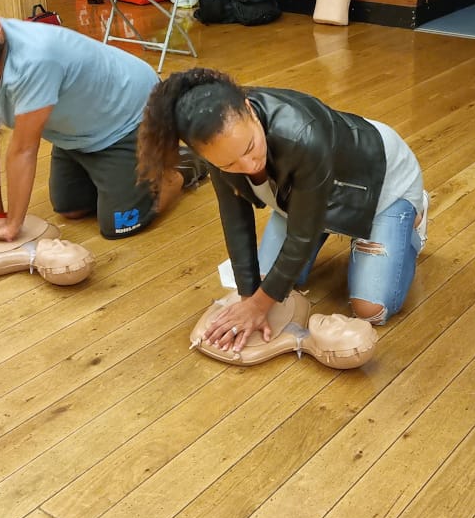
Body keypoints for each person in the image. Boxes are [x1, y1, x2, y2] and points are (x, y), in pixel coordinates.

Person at [138, 67, 428, 353]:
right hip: (306, 199)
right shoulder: (220, 145)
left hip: (378, 186)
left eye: (250, 147)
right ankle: (334, 225)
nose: (248, 166)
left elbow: (301, 236)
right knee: (268, 282)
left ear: (250, 112)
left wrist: (258, 305)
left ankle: (412, 216)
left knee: (371, 309)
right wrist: (248, 296)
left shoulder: (303, 135)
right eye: (229, 164)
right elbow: (236, 220)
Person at [0, 0, 203, 249]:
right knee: (70, 209)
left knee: (119, 225)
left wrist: (12, 225)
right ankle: (129, 172)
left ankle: (179, 167)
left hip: (130, 115)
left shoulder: (36, 58)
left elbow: (23, 149)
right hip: (77, 131)